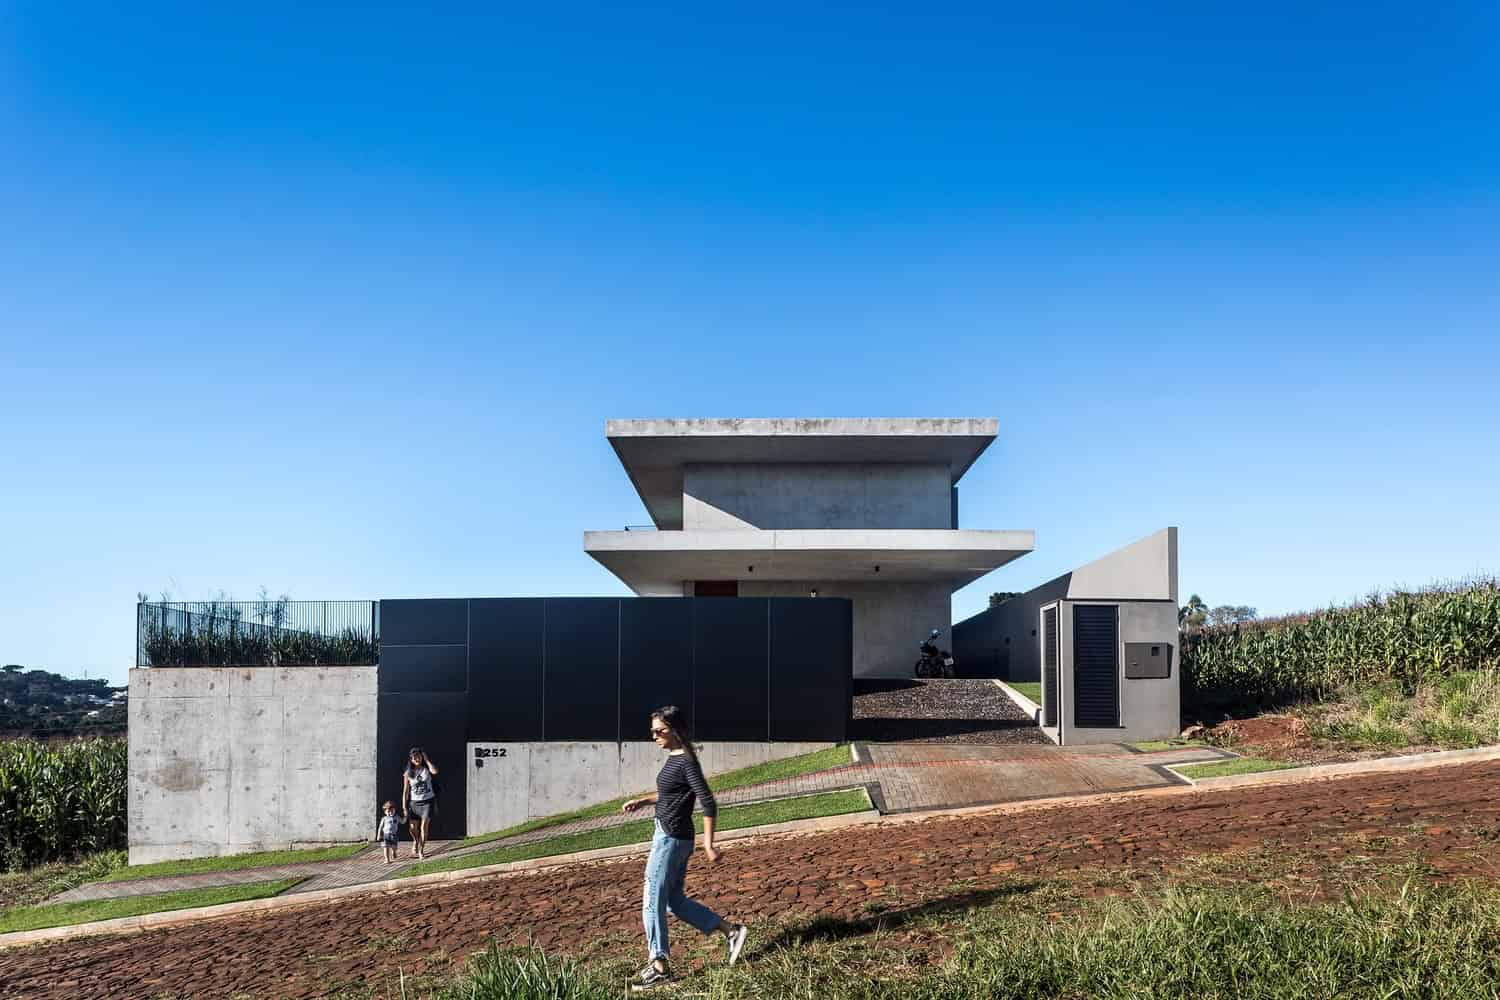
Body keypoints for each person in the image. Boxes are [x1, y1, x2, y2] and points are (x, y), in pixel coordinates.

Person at [621, 705, 749, 992]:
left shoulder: (686, 762)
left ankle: (659, 967)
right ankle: (731, 931)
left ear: (675, 730)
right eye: (652, 730)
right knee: (673, 901)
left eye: (659, 730)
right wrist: (643, 801)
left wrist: (709, 843)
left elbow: (708, 801)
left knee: (652, 900)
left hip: (670, 839)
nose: (653, 735)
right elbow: (671, 794)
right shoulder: (676, 758)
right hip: (672, 837)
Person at [402, 747, 439, 860]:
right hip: (414, 803)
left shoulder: (426, 769)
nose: (416, 759)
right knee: (413, 828)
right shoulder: (408, 773)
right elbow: (406, 791)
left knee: (424, 827)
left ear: (422, 757)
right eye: (414, 757)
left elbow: (435, 771)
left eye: (418, 756)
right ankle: (415, 840)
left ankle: (421, 851)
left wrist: (427, 760)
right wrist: (404, 806)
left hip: (428, 802)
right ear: (411, 759)